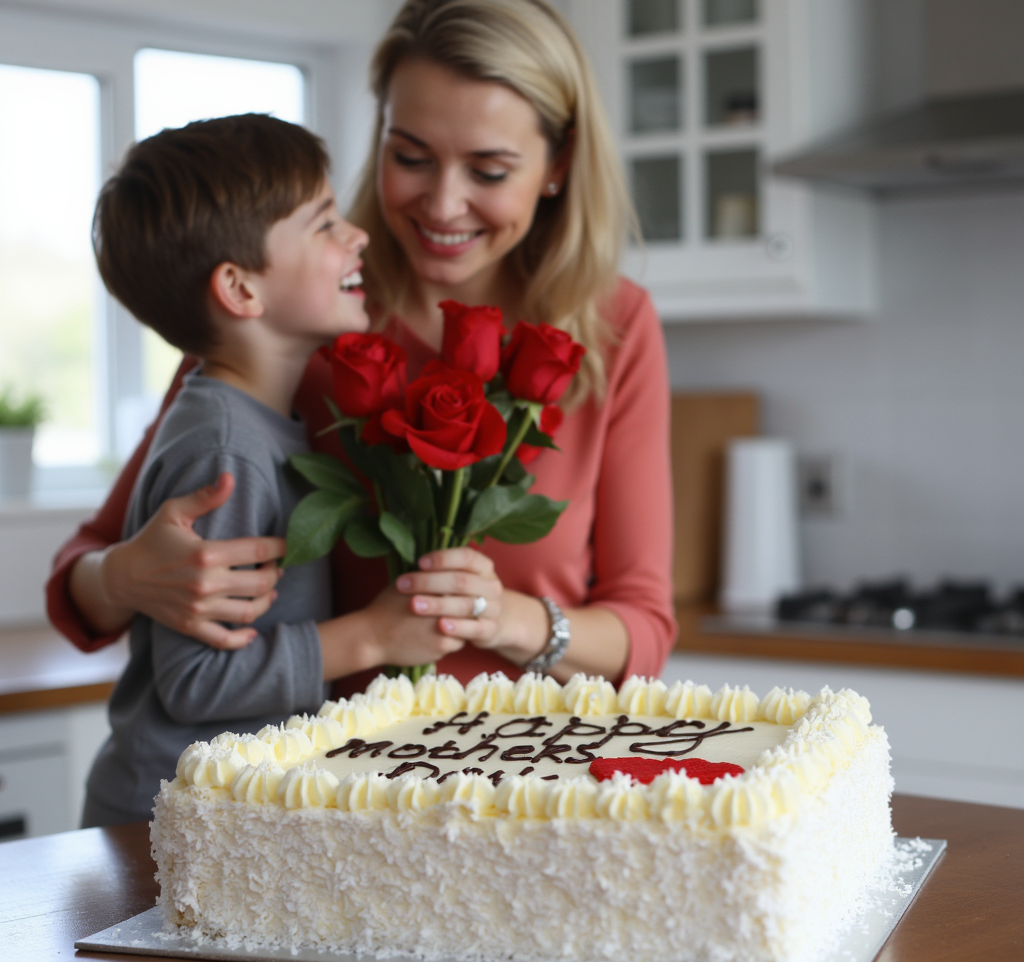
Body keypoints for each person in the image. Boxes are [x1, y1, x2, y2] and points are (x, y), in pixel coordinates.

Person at [47, 0, 677, 705]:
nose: (442, 205)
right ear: (380, 134)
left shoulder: (614, 326)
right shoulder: (293, 312)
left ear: (557, 164)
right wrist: (124, 577)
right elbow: (81, 578)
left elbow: (644, 632)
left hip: (533, 786)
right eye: (410, 157)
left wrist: (509, 620)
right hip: (335, 793)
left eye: (489, 172)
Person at [79, 114, 377, 826]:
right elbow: (194, 680)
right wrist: (374, 637)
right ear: (241, 290)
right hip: (162, 828)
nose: (357, 235)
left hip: (210, 820)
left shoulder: (256, 423)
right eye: (324, 223)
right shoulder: (224, 451)